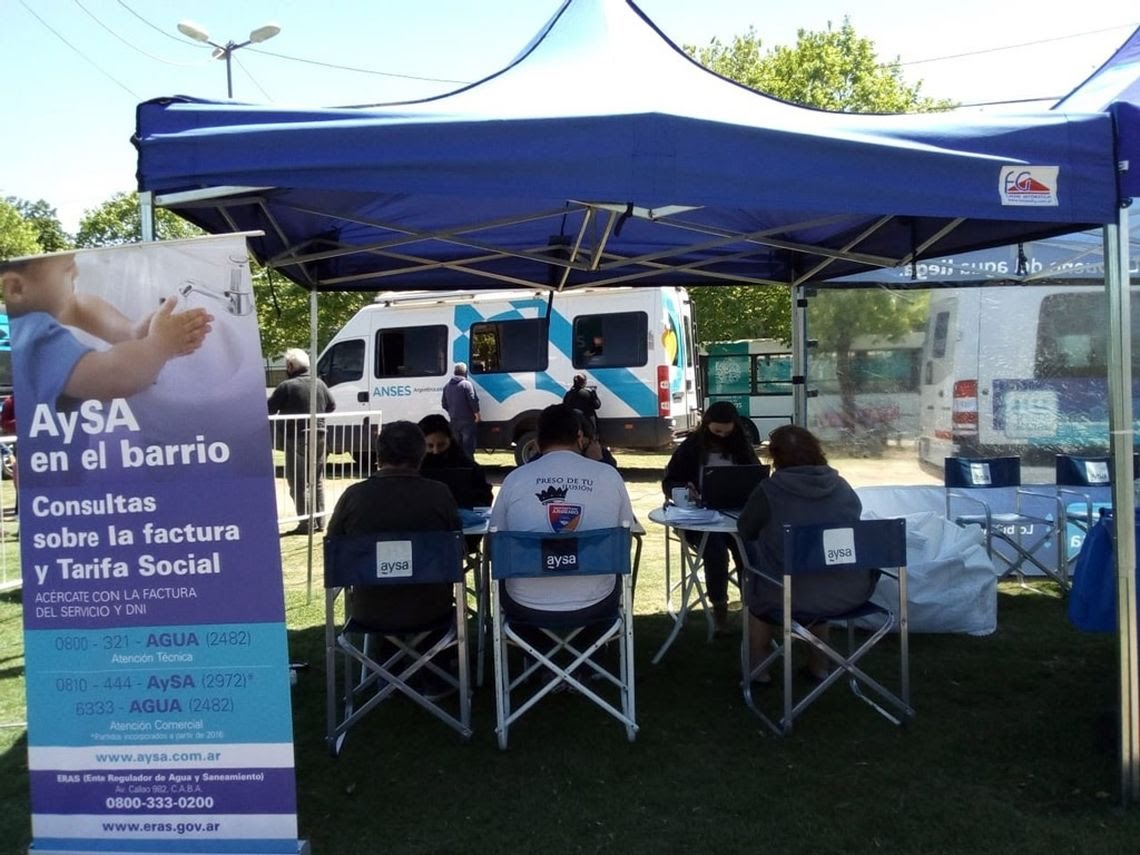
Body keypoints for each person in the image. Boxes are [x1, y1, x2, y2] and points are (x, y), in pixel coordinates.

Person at [736, 424, 870, 685]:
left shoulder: (770, 490)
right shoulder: (842, 487)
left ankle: (758, 672)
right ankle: (818, 667)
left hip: (788, 591)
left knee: (759, 590)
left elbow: (745, 529)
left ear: (775, 457)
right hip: (849, 590)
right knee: (817, 579)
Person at [0, 252, 213, 413]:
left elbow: (77, 306)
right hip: (63, 468)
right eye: (67, 268)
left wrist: (130, 331)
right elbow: (116, 376)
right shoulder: (34, 338)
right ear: (16, 288)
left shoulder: (30, 313)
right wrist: (160, 345)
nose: (77, 272)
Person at [490, 403, 634, 619]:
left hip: (525, 604)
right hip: (597, 601)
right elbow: (626, 538)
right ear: (579, 436)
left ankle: (532, 651)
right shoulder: (609, 476)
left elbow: (496, 540)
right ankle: (592, 650)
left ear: (538, 442)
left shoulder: (514, 480)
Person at [327, 420, 462, 633]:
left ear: (379, 456)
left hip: (369, 610)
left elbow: (335, 551)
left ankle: (384, 660)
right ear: (421, 455)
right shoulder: (439, 495)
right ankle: (435, 660)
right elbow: (457, 549)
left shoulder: (353, 496)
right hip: (431, 608)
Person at [661, 400, 760, 633]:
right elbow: (669, 481)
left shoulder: (742, 447)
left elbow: (756, 477)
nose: (722, 436)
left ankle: (753, 609)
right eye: (717, 432)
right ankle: (720, 611)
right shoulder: (690, 447)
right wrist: (686, 490)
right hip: (699, 518)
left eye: (727, 432)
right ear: (706, 426)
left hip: (734, 515)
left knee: (749, 550)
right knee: (715, 551)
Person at [267, 348, 335, 535]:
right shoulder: (319, 384)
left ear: (290, 366)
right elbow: (332, 405)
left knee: (298, 481)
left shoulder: (287, 386)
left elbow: (269, 409)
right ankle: (320, 521)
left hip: (297, 436)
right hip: (320, 434)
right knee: (316, 480)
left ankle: (306, 523)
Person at [417, 413, 494, 509]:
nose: (435, 451)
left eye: (441, 445)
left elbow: (484, 498)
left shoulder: (468, 466)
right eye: (430, 446)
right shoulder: (412, 468)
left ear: (450, 441)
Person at [441, 362, 480, 458]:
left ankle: (459, 466)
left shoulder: (447, 386)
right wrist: (477, 414)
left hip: (454, 420)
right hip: (467, 420)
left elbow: (444, 404)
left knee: (457, 447)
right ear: (465, 372)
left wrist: (452, 412)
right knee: (468, 447)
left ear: (455, 372)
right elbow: (473, 400)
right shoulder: (466, 384)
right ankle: (469, 467)